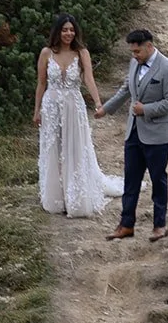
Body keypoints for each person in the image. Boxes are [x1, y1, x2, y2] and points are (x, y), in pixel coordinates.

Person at [34, 14, 124, 216]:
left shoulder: (81, 53)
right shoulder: (46, 53)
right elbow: (41, 83)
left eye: (71, 30)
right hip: (51, 106)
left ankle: (76, 196)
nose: (68, 33)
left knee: (74, 147)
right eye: (65, 30)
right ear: (58, 31)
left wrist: (99, 102)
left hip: (74, 106)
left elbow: (89, 79)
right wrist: (37, 110)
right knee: (53, 147)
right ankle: (56, 197)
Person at [96, 29, 168, 241]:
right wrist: (105, 109)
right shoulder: (134, 62)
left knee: (158, 179)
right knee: (130, 180)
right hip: (134, 132)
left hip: (159, 134)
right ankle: (126, 225)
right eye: (132, 52)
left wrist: (147, 109)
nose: (135, 55)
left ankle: (160, 225)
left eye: (138, 51)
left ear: (149, 46)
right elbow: (126, 89)